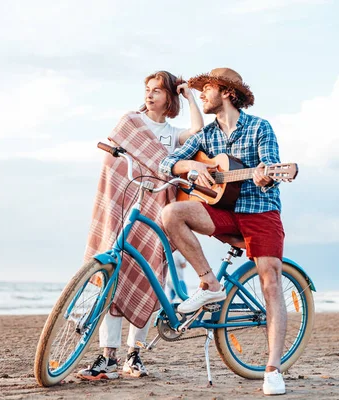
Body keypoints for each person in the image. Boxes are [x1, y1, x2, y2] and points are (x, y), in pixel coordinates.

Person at [158, 68, 288, 395]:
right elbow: (167, 164)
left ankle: (272, 369)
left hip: (260, 211)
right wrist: (194, 166)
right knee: (172, 213)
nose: (201, 95)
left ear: (228, 92)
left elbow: (271, 169)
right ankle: (210, 283)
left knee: (270, 281)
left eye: (207, 89)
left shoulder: (260, 128)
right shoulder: (206, 136)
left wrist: (265, 176)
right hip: (224, 212)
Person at [77, 71, 203, 381]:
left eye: (158, 91)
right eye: (147, 90)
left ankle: (134, 356)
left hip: (153, 208)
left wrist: (190, 96)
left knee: (148, 278)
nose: (150, 95)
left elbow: (198, 132)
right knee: (113, 277)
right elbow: (114, 161)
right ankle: (108, 356)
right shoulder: (132, 122)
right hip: (124, 206)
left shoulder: (172, 133)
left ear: (169, 97)